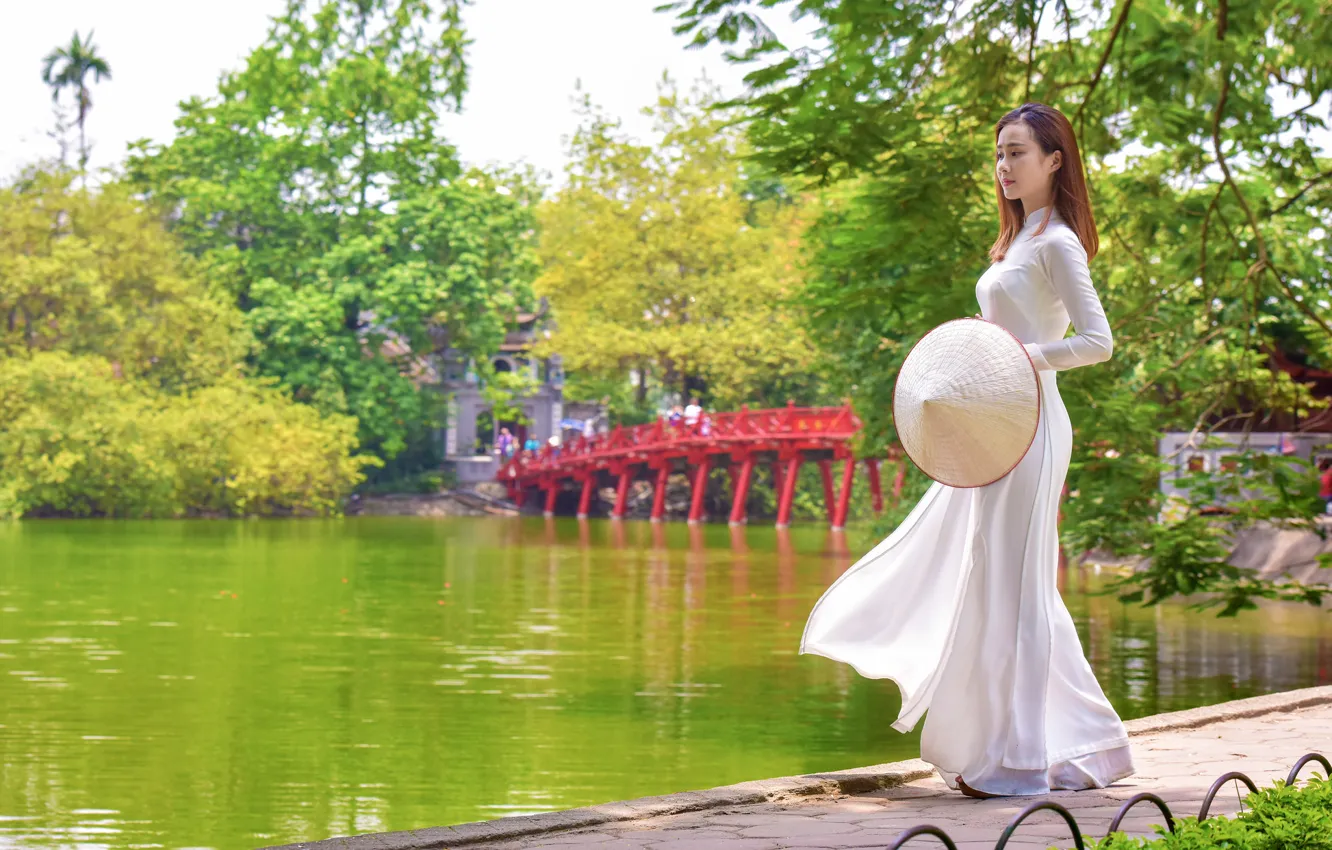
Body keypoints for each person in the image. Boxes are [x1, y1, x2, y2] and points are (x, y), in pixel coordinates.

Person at [801, 102, 1134, 799]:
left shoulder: (1059, 244)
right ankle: (1081, 742)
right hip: (991, 424)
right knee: (994, 577)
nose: (1004, 166)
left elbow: (1097, 342)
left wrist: (1020, 359)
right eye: (999, 154)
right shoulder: (1014, 243)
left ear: (1054, 160)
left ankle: (1016, 758)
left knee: (1014, 585)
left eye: (1017, 153)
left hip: (1033, 424)